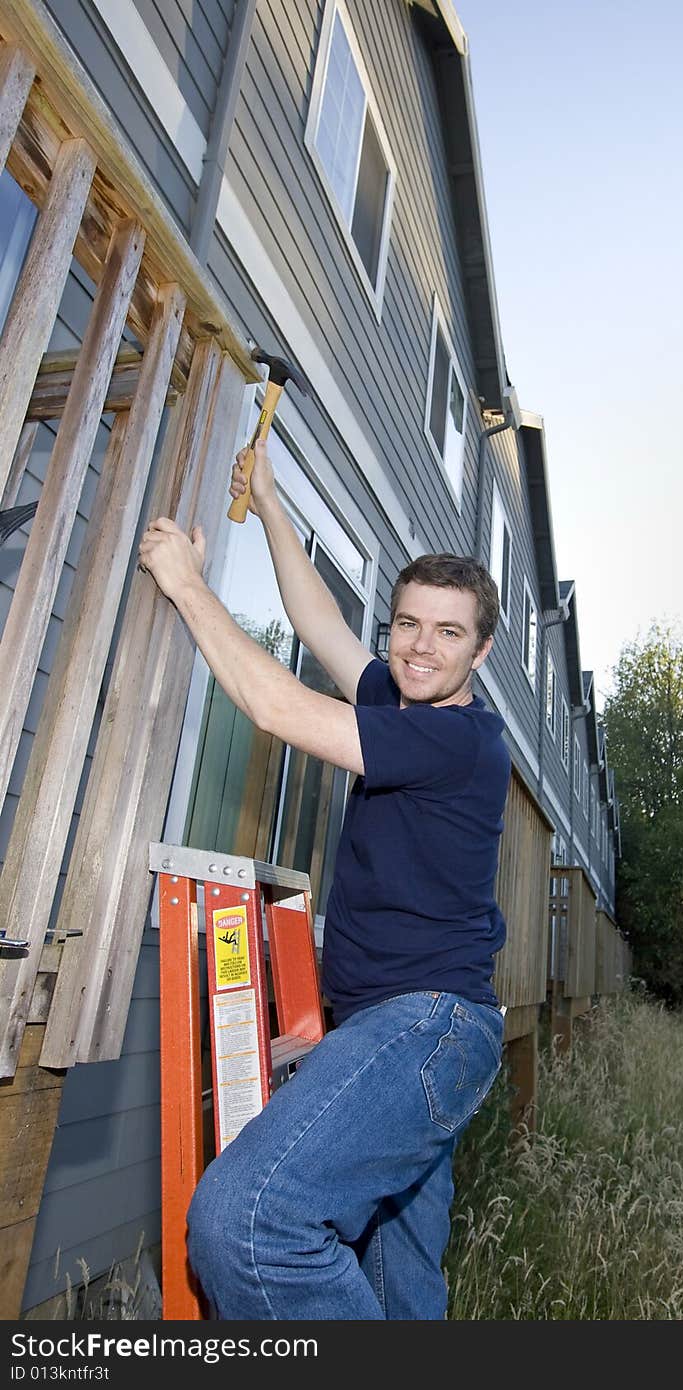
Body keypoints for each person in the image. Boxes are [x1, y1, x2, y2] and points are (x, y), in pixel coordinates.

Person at [137, 440, 511, 1320]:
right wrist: (270, 503)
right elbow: (319, 631)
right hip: (412, 1030)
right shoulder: (407, 699)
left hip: (424, 1025)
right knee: (398, 1283)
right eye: (407, 624)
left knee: (247, 1223)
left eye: (448, 632)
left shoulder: (459, 741)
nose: (419, 649)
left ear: (482, 653)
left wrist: (187, 582)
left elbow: (275, 707)